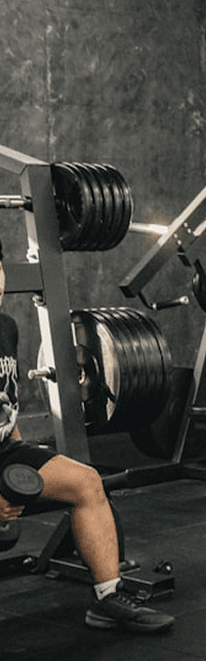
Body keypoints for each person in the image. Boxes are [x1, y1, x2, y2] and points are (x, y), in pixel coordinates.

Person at [0, 239, 174, 633]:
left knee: (86, 481)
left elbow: (7, 406)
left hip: (5, 450)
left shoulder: (5, 328)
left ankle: (107, 598)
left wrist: (24, 453)